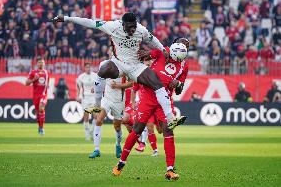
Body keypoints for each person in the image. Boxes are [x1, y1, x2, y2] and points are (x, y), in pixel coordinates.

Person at [52, 12, 186, 130]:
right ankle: (97, 105)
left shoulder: (141, 30)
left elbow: (153, 40)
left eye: (134, 26)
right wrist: (66, 18)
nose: (133, 29)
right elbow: (90, 23)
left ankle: (170, 118)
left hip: (136, 66)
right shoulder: (112, 26)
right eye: (130, 27)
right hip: (119, 64)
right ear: (123, 24)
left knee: (157, 83)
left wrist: (163, 49)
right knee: (103, 69)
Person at [112, 42, 189, 180]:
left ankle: (170, 170)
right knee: (137, 129)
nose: (178, 60)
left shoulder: (184, 65)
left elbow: (179, 90)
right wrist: (144, 53)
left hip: (164, 100)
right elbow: (147, 55)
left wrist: (177, 84)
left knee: (167, 130)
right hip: (147, 96)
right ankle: (120, 164)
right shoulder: (162, 51)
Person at [89, 60, 133, 159]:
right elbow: (100, 79)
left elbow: (132, 83)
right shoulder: (105, 64)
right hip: (107, 99)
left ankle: (118, 145)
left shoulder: (126, 66)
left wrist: (118, 86)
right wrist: (95, 87)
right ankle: (96, 149)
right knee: (99, 120)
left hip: (119, 102)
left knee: (117, 126)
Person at [25, 57, 49, 135]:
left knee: (41, 108)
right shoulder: (33, 72)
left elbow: (46, 85)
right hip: (36, 95)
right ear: (36, 64)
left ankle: (42, 128)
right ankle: (39, 126)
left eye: (42, 62)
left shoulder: (47, 72)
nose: (41, 64)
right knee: (38, 112)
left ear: (44, 64)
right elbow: (26, 83)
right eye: (39, 62)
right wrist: (34, 79)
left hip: (43, 95)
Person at [76, 62, 97, 140]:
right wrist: (78, 96)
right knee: (86, 116)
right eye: (87, 67)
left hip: (93, 98)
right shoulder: (81, 77)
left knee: (96, 116)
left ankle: (91, 131)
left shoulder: (95, 75)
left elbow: (98, 85)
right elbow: (78, 87)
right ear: (84, 68)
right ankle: (87, 134)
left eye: (89, 67)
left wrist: (95, 89)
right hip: (85, 98)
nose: (88, 68)